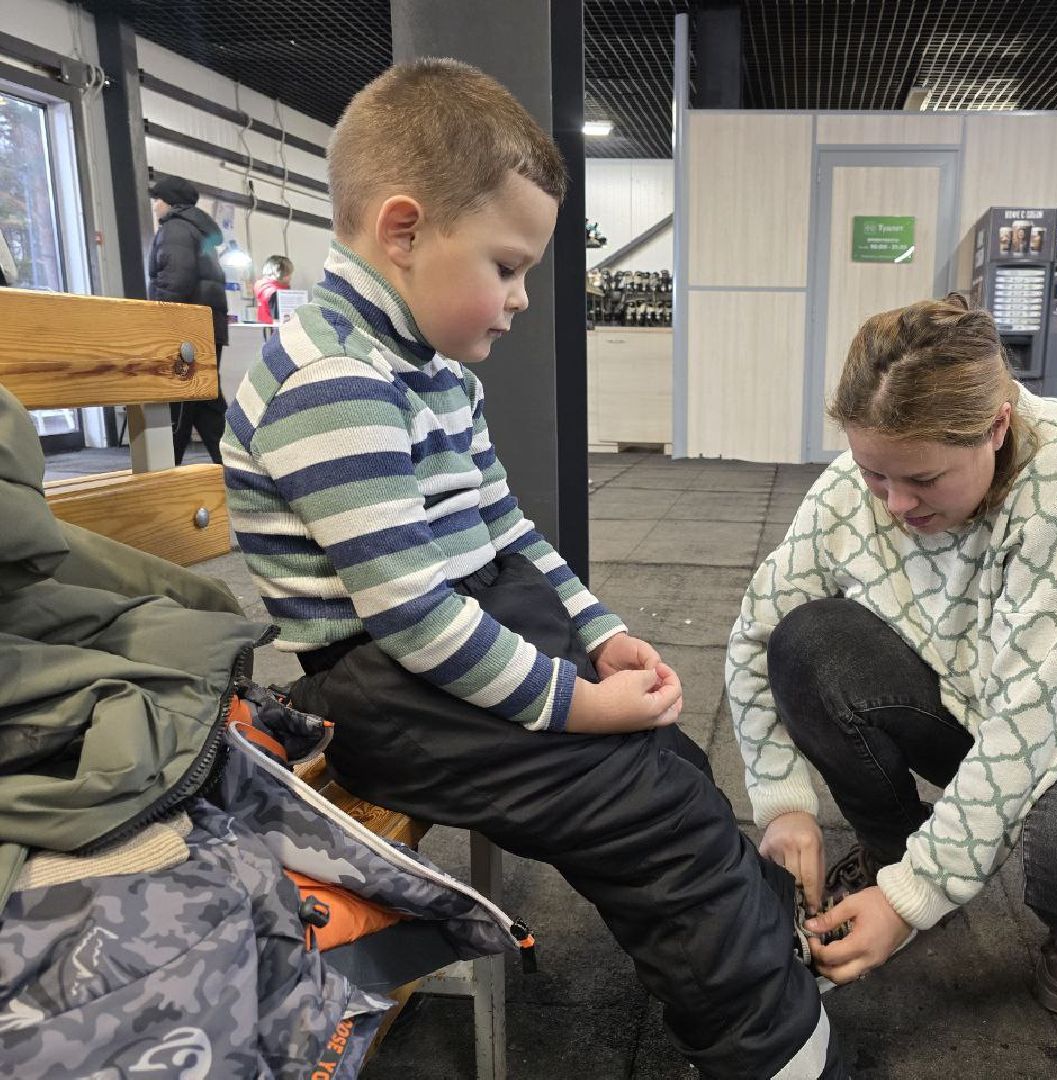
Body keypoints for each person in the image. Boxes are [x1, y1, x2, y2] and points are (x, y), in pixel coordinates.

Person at [220, 60, 841, 1079]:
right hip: (391, 692)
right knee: (647, 805)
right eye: (507, 266)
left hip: (471, 638)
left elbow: (508, 529)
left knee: (672, 767)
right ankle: (772, 1047)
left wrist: (598, 634)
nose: (518, 300)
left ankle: (764, 952)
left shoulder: (431, 371)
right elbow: (413, 619)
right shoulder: (334, 380)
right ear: (404, 230)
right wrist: (583, 707)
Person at [728, 294, 1057, 1025]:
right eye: (876, 472)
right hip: (976, 694)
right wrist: (782, 804)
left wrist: (913, 903)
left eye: (924, 480)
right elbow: (755, 633)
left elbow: (1037, 713)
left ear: (997, 426)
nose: (895, 502)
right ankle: (892, 851)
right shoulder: (856, 487)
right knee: (807, 642)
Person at [147, 174, 229, 464]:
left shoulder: (176, 230)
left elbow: (174, 281)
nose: (155, 206)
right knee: (206, 402)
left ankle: (167, 470)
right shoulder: (198, 229)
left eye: (157, 200)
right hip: (206, 327)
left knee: (179, 402)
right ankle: (237, 470)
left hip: (185, 331)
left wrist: (159, 325)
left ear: (169, 202)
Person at [253, 254, 294, 324]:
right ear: (279, 273)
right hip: (276, 331)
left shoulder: (261, 287)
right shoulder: (274, 293)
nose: (290, 278)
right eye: (288, 274)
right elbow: (280, 320)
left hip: (264, 329)